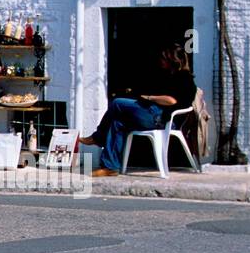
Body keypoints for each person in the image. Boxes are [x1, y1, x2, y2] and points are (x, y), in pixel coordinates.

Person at [81, 45, 196, 177]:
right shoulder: (169, 76)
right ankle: (110, 167)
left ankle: (97, 137)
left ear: (173, 60)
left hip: (161, 118)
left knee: (117, 103)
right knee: (118, 123)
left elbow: (171, 101)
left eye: (164, 58)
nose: (161, 61)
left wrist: (150, 97)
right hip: (154, 114)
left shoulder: (184, 79)